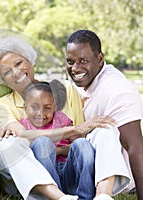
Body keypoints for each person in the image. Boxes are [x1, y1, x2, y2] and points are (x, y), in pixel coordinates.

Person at [0, 36, 115, 199]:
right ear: (2, 80)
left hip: (70, 166)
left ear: (29, 59)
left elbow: (80, 142)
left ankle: (102, 195)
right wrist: (74, 130)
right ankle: (55, 196)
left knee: (107, 128)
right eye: (6, 71)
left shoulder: (67, 90)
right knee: (10, 145)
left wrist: (64, 145)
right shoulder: (0, 106)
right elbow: (25, 137)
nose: (16, 72)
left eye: (19, 63)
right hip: (32, 174)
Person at [65, 30, 143, 200]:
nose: (75, 68)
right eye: (70, 62)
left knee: (104, 130)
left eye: (83, 61)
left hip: (114, 179)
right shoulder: (78, 86)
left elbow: (135, 146)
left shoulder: (117, 90)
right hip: (82, 166)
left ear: (100, 59)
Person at [20, 81, 95, 199]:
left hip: (67, 171)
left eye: (47, 108)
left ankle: (86, 196)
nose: (40, 113)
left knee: (83, 143)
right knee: (42, 142)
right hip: (46, 177)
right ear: (25, 107)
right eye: (34, 107)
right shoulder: (23, 126)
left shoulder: (61, 119)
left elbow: (77, 146)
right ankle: (55, 197)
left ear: (54, 107)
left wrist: (59, 150)